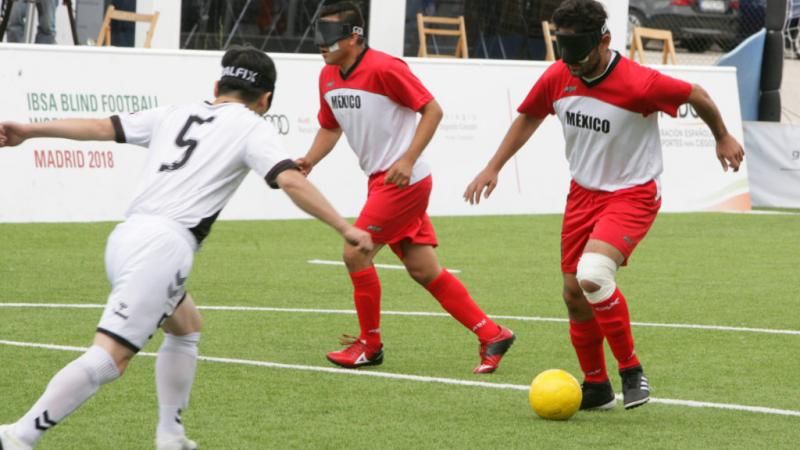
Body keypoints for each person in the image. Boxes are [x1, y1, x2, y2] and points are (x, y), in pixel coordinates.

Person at [0, 46, 373, 450]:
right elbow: (291, 181)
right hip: (164, 247)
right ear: (266, 99)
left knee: (186, 326)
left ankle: (171, 436)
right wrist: (343, 227)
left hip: (127, 236)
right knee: (110, 358)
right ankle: (20, 435)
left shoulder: (173, 113)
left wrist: (30, 131)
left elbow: (99, 126)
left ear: (217, 85)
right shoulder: (252, 126)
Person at [464, 0, 744, 410]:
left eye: (579, 51)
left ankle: (631, 370)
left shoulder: (640, 83)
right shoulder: (560, 74)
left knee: (592, 274)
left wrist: (721, 136)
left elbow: (696, 94)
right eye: (564, 49)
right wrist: (494, 166)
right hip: (583, 195)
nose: (571, 62)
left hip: (632, 193)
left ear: (605, 40)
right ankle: (596, 384)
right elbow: (528, 116)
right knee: (574, 294)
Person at [296, 1, 515, 375]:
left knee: (355, 253)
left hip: (403, 182)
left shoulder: (385, 68)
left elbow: (432, 110)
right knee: (424, 270)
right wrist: (309, 161)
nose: (321, 44)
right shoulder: (328, 76)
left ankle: (371, 345)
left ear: (354, 36)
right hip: (382, 182)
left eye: (328, 36)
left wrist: (408, 159)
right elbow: (330, 127)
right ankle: (492, 333)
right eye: (318, 34)